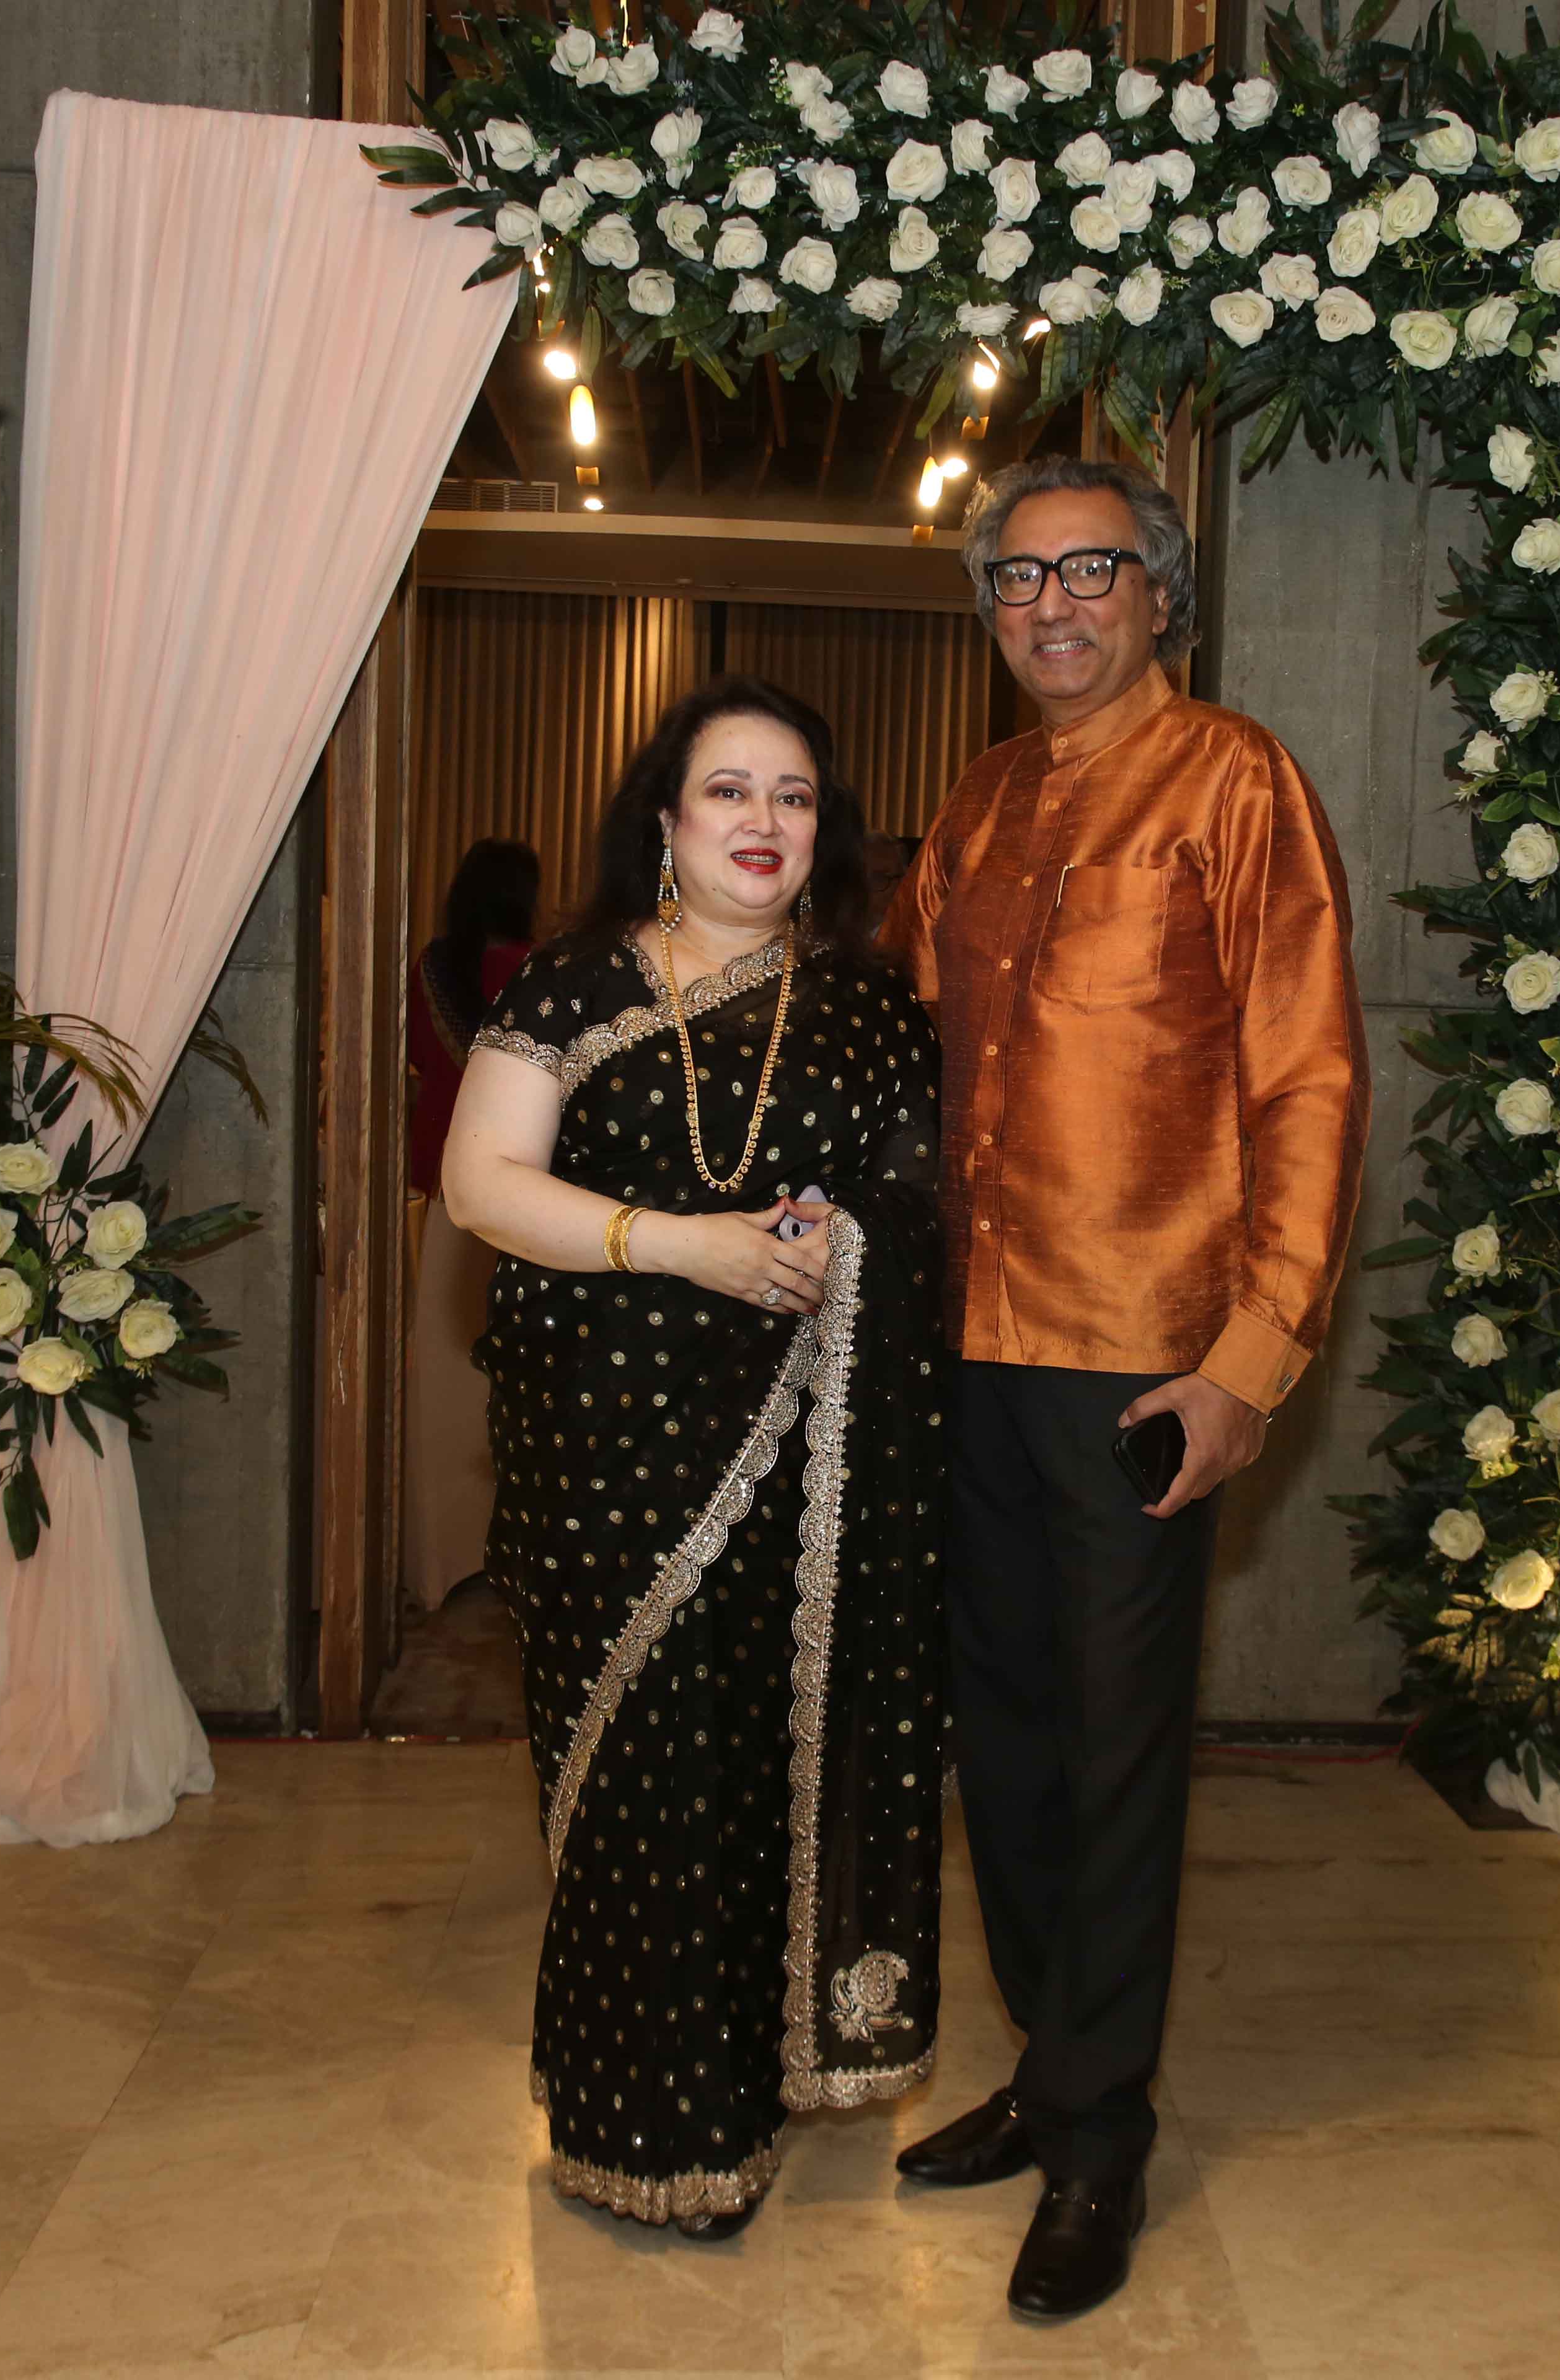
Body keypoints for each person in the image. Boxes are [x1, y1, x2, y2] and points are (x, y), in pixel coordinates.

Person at [884, 456, 1369, 2318]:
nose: (1052, 605)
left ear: (1161, 593)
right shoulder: (979, 801)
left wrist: (1251, 1356)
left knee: (1112, 1752)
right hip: (970, 1342)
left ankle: (1099, 2135)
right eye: (1017, 580)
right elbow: (905, 1047)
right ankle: (1046, 2065)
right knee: (1002, 1740)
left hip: (1144, 1361)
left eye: (1090, 569)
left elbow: (1309, 1080)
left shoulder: (1238, 782)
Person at [439, 677, 948, 2237]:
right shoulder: (575, 981)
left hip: (801, 1463)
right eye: (729, 790)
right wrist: (688, 1244)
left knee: (756, 1772)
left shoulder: (868, 1006)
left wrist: (844, 1241)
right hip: (604, 1452)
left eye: (793, 796)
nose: (762, 822)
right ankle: (647, 2127)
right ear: (666, 818)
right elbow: (480, 1183)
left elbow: (921, 1202)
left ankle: (753, 2081)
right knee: (641, 1781)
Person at [402, 837, 539, 1612]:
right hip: (522, 1188)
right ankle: (511, 1546)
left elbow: (421, 1057)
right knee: (508, 1371)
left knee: (444, 1365)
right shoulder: (533, 970)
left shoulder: (433, 966)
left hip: (444, 1177)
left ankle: (438, 1555)